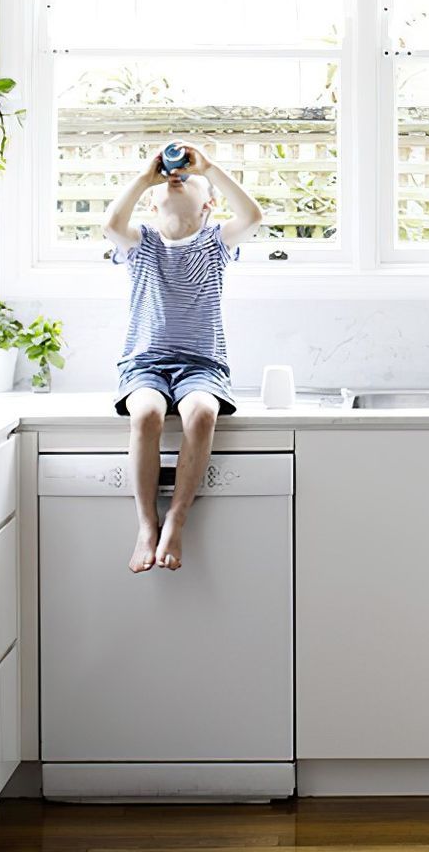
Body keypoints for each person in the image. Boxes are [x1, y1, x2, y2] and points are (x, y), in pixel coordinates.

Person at [101, 143, 263, 572]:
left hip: (201, 365)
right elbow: (111, 224)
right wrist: (143, 178)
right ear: (152, 205)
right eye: (168, 182)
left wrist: (209, 167)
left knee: (201, 415)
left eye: (189, 180)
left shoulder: (215, 244)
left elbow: (252, 217)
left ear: (209, 204)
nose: (177, 179)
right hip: (144, 365)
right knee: (147, 415)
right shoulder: (142, 245)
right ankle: (145, 522)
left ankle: (177, 516)